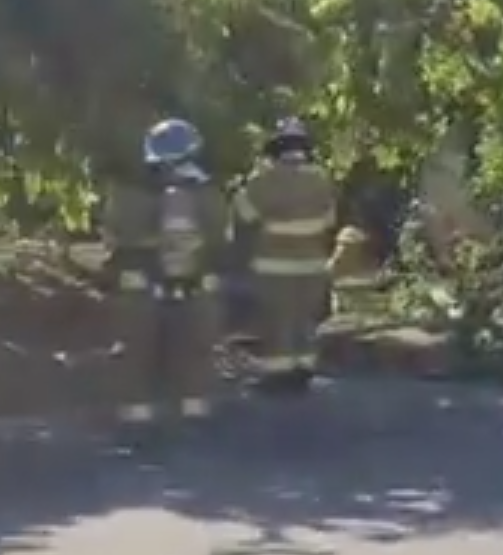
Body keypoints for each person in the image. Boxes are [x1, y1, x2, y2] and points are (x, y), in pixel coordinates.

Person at [101, 118, 228, 424]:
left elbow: (111, 237)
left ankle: (137, 417)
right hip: (193, 285)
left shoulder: (126, 194)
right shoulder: (207, 193)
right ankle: (193, 414)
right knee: (194, 351)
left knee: (136, 352)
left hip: (139, 287)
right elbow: (220, 237)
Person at [232, 117, 339, 395]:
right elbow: (329, 220)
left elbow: (244, 214)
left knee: (277, 323)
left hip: (274, 266)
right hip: (312, 266)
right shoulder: (321, 180)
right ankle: (304, 371)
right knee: (305, 322)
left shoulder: (263, 181)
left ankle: (277, 377)